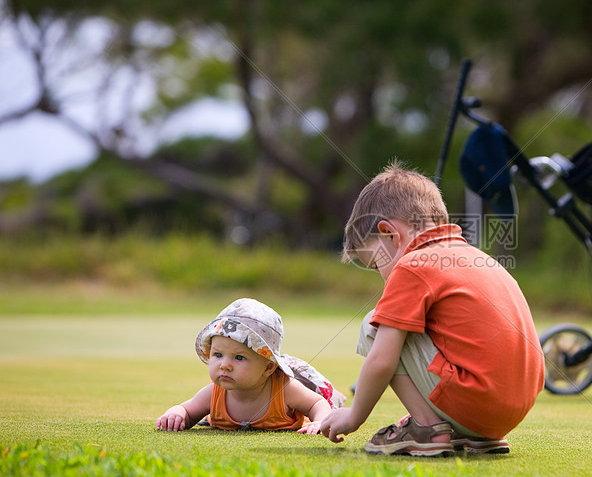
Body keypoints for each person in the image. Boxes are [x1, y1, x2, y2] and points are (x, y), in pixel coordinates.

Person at [319, 161, 544, 456]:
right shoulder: (478, 258)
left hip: (475, 402)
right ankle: (469, 432)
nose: (382, 276)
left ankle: (427, 428)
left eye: (376, 264)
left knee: (374, 324)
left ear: (389, 234)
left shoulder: (412, 266)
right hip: (508, 414)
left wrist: (353, 416)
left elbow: (382, 361)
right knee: (405, 324)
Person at [156, 298, 346, 433]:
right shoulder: (213, 392)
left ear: (268, 368)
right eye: (218, 355)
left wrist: (319, 421)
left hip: (303, 387)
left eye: (239, 358)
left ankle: (338, 395)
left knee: (324, 395)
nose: (225, 365)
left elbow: (316, 403)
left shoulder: (285, 388)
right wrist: (176, 413)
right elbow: (188, 411)